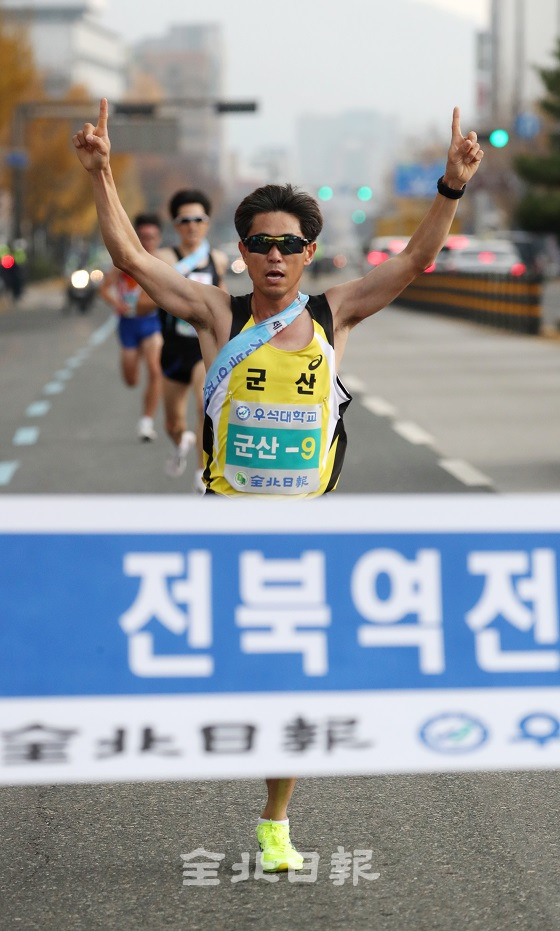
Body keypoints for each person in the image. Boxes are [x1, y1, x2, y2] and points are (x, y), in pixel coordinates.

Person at [73, 98, 483, 872]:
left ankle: (275, 818)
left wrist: (450, 187)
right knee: (221, 672)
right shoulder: (215, 315)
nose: (272, 255)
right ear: (241, 251)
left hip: (303, 532)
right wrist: (99, 174)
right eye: (260, 243)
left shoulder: (337, 313)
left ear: (307, 252)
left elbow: (414, 262)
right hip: (222, 524)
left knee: (285, 682)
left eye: (287, 245)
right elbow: (131, 258)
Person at [155, 190, 228, 486]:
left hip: (202, 347)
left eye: (199, 219)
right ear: (175, 225)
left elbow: (221, 299)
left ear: (207, 223)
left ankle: (201, 475)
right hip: (173, 350)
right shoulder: (163, 258)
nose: (192, 226)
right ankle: (179, 441)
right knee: (173, 422)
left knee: (203, 405)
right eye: (185, 220)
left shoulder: (217, 259)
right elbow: (151, 296)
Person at [99, 212, 163, 442]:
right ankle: (132, 362)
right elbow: (104, 289)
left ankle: (146, 422)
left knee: (155, 370)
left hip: (151, 324)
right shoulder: (124, 263)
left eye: (153, 237)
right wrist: (117, 303)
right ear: (136, 236)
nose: (148, 241)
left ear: (159, 238)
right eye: (143, 236)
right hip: (128, 325)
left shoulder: (160, 264)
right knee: (131, 380)